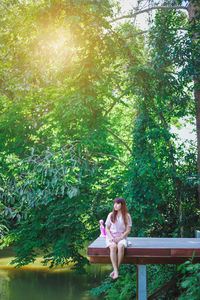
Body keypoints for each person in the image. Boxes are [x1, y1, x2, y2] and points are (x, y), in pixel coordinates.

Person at [105, 197, 132, 279]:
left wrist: (120, 238)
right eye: (114, 203)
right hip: (111, 237)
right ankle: (116, 270)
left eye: (117, 203)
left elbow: (128, 231)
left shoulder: (127, 216)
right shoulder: (111, 215)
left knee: (120, 246)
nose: (115, 205)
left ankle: (116, 269)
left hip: (121, 237)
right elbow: (107, 228)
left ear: (122, 205)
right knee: (113, 247)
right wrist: (111, 237)